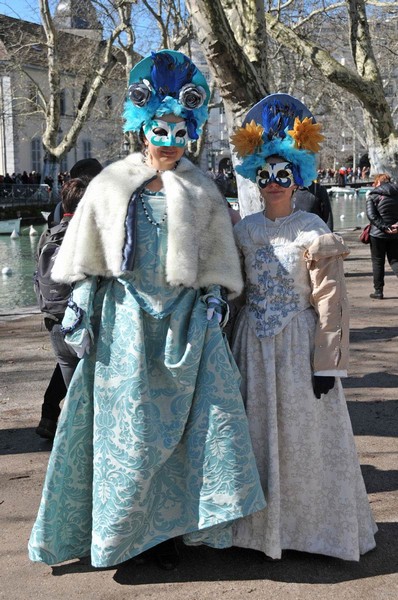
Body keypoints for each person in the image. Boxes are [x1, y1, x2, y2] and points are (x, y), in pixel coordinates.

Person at [28, 50, 265, 571]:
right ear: (143, 127)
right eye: (160, 128)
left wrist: (211, 297)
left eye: (179, 130)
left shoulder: (202, 188)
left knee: (183, 434)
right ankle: (121, 533)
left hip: (184, 325)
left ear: (190, 131)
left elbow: (216, 258)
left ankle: (168, 534)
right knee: (127, 434)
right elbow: (89, 258)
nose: (169, 139)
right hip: (123, 326)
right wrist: (80, 307)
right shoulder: (111, 183)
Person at [229, 93, 377, 561]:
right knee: (256, 439)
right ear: (256, 177)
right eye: (266, 176)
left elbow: (331, 301)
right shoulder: (244, 230)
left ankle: (312, 530)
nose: (274, 184)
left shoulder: (312, 228)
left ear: (297, 177)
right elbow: (233, 292)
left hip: (298, 347)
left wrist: (328, 364)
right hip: (252, 346)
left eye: (283, 175)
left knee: (305, 440)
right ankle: (257, 531)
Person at [37, 160, 103, 440]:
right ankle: (72, 435)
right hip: (80, 319)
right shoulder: (89, 227)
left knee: (70, 374)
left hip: (54, 319)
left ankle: (50, 416)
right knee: (89, 392)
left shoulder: (51, 228)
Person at [366, 173, 398, 299]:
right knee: (395, 260)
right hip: (396, 233)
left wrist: (385, 227)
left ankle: (378, 291)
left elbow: (372, 216)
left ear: (378, 182)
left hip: (378, 234)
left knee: (378, 262)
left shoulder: (373, 195)